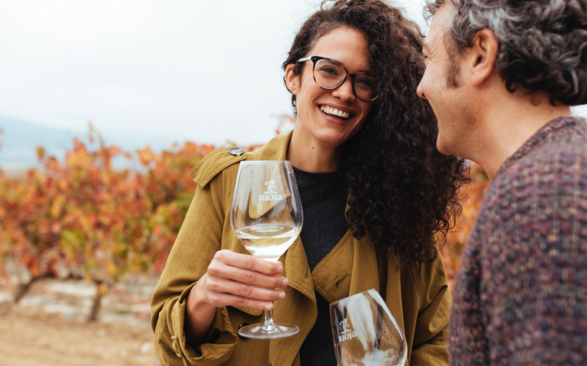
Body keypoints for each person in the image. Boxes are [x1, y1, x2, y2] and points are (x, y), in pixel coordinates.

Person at [151, 1, 469, 365]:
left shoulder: (399, 194)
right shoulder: (230, 182)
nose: (345, 92)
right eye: (329, 70)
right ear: (293, 76)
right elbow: (167, 335)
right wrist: (206, 295)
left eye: (365, 81)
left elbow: (436, 336)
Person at [418, 0, 587, 364]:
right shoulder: (582, 171)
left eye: (428, 59)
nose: (421, 88)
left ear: (480, 55)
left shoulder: (547, 199)